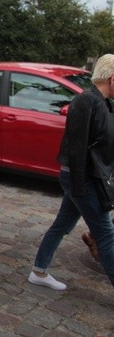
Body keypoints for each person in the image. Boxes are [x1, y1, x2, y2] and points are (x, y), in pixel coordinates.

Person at [28, 53, 114, 291]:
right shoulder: (86, 101)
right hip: (81, 178)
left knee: (62, 225)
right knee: (106, 234)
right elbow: (76, 147)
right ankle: (39, 271)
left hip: (88, 177)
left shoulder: (104, 103)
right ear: (112, 78)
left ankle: (39, 271)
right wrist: (79, 186)